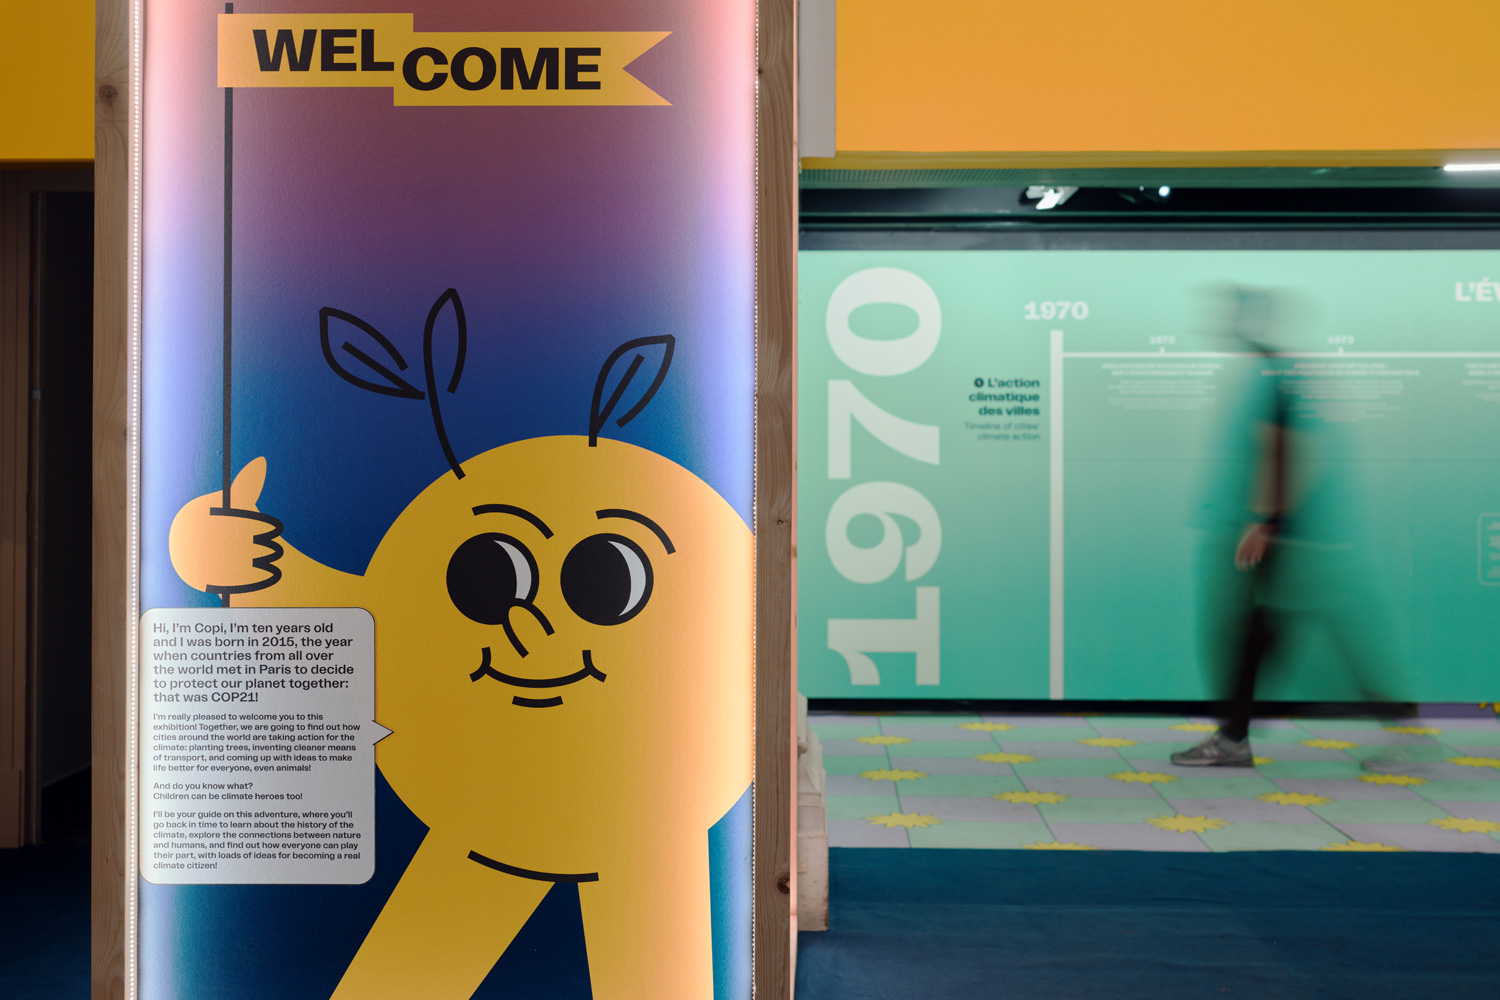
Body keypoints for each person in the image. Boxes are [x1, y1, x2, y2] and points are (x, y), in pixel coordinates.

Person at [1172, 287, 1401, 767]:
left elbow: (1285, 447)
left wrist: (1264, 521)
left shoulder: (1275, 374)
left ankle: (1236, 738)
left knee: (1286, 639)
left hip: (1294, 544)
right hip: (1300, 540)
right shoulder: (1280, 372)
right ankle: (1235, 736)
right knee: (1271, 638)